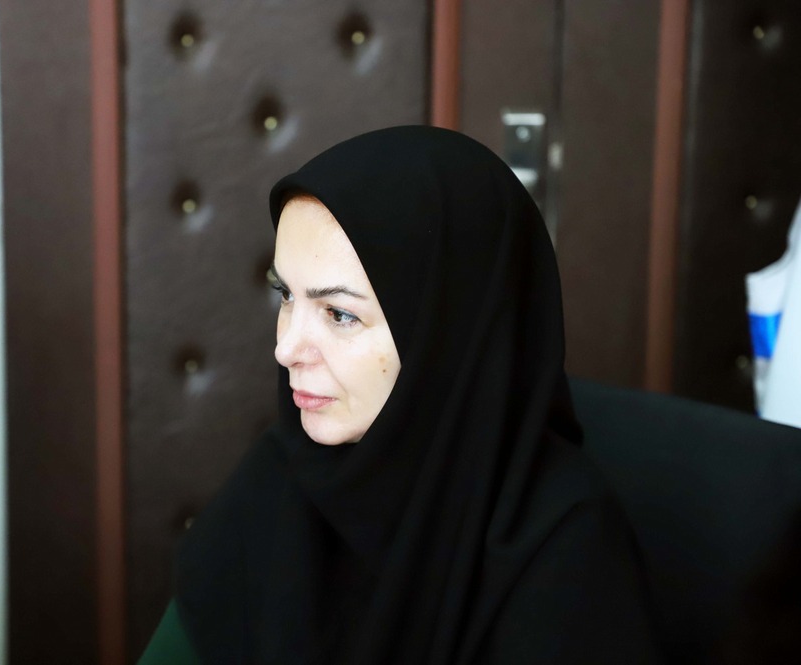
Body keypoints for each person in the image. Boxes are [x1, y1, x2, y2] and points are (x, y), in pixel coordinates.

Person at [139, 126, 661, 664]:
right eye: (285, 295)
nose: (286, 348)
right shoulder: (282, 475)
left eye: (339, 314)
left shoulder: (563, 547)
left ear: (449, 332)